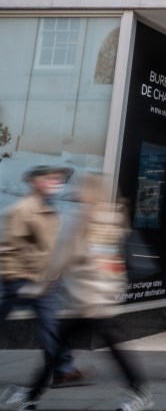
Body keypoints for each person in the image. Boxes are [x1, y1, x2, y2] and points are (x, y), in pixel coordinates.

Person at [2, 175, 152, 411]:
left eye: (81, 187)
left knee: (88, 346)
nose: (76, 190)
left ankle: (138, 391)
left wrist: (42, 284)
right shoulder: (113, 215)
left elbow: (67, 256)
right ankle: (31, 396)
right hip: (98, 296)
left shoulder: (88, 217)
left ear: (90, 191)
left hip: (91, 298)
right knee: (62, 344)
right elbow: (107, 258)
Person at [0, 165, 83, 389]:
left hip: (45, 280)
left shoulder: (48, 209)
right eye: (50, 179)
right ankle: (63, 368)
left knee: (49, 324)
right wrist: (14, 276)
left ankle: (63, 369)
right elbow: (9, 248)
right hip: (22, 279)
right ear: (35, 182)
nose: (55, 183)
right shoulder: (23, 210)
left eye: (57, 179)